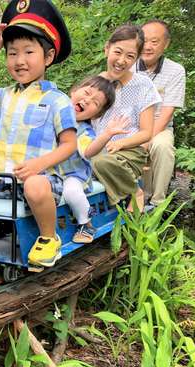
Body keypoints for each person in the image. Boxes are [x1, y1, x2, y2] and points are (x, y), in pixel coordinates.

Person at [0, 0, 77, 268]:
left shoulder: (58, 100)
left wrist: (38, 166)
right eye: (11, 53)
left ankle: (48, 239)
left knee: (34, 184)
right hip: (4, 181)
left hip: (41, 182)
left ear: (49, 57)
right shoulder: (5, 95)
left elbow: (69, 145)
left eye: (29, 52)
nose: (19, 60)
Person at [90, 24, 162, 211]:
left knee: (101, 162)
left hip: (129, 151)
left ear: (136, 59)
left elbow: (146, 133)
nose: (121, 61)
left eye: (130, 56)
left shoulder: (143, 85)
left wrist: (121, 144)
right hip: (97, 146)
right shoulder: (94, 83)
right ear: (107, 49)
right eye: (118, 52)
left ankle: (135, 192)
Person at [61, 76, 130, 243]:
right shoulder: (52, 115)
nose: (86, 100)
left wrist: (107, 134)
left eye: (95, 103)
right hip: (47, 172)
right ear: (73, 91)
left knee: (70, 191)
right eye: (86, 92)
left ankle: (86, 223)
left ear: (98, 114)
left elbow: (88, 150)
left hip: (73, 174)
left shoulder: (84, 131)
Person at [136, 19, 186, 207]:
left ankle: (157, 204)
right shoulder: (128, 65)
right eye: (144, 40)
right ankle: (132, 199)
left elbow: (167, 112)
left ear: (166, 44)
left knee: (162, 147)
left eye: (154, 42)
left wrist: (146, 138)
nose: (147, 47)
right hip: (131, 125)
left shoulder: (175, 70)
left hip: (160, 125)